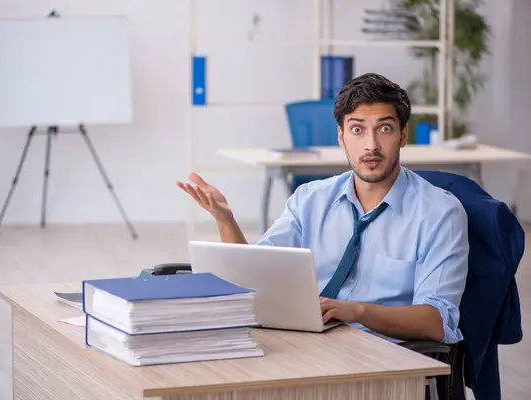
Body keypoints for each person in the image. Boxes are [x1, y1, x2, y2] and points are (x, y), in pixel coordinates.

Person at [176, 73, 469, 344]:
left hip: (382, 355)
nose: (371, 145)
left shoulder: (439, 213)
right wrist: (226, 220)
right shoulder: (310, 199)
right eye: (357, 130)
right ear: (341, 137)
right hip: (309, 344)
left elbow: (437, 321)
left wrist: (358, 312)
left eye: (385, 129)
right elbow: (255, 282)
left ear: (403, 136)